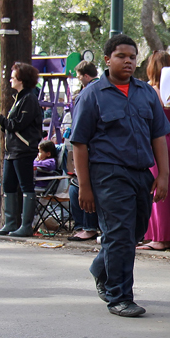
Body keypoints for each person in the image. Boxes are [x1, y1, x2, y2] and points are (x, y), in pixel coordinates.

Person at [71, 34, 170, 318]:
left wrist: (162, 175)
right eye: (121, 56)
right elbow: (79, 143)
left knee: (134, 233)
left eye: (132, 56)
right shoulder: (92, 94)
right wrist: (85, 187)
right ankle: (119, 296)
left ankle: (101, 266)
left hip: (141, 173)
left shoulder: (146, 93)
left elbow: (159, 136)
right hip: (108, 174)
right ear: (107, 60)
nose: (127, 61)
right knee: (119, 234)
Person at [0, 62, 43, 237]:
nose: (10, 80)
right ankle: (9, 223)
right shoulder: (19, 99)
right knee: (8, 185)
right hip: (12, 150)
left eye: (13, 77)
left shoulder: (29, 99)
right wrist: (2, 121)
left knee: (25, 185)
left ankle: (25, 225)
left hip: (23, 149)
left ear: (21, 79)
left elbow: (18, 125)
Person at [137, 51, 170, 251]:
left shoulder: (150, 90)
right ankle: (163, 235)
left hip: (156, 143)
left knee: (157, 190)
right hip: (169, 140)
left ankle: (159, 237)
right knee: (166, 190)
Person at [67, 61, 100, 241]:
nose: (79, 80)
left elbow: (79, 135)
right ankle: (85, 226)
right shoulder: (101, 89)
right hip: (95, 149)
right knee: (76, 186)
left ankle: (88, 226)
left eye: (79, 77)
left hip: (92, 150)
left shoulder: (88, 93)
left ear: (86, 75)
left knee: (82, 185)